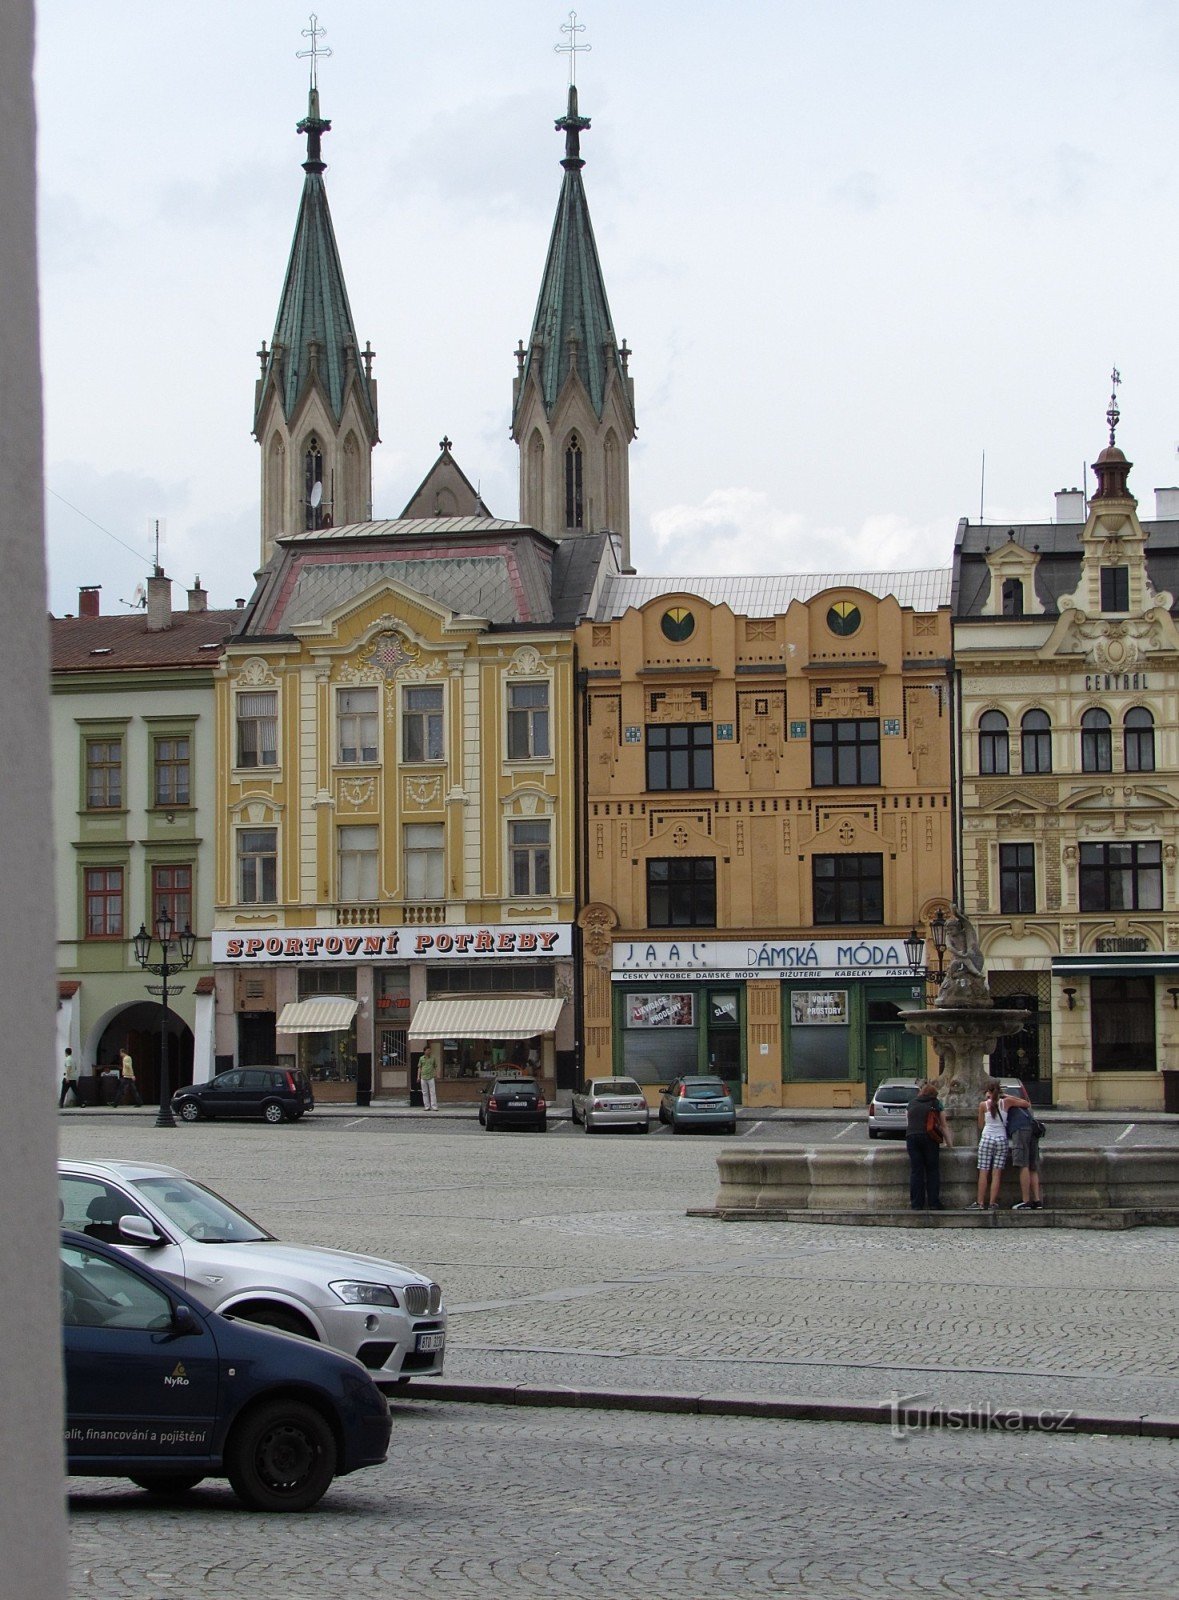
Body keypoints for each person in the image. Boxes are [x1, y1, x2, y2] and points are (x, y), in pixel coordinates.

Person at [905, 1079, 952, 1211]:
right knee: (932, 1170)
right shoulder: (936, 1104)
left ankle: (916, 1204)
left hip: (912, 1137)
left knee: (916, 1171)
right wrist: (950, 1144)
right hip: (929, 1138)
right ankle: (933, 1202)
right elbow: (943, 1126)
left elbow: (908, 1120)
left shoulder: (912, 1103)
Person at [969, 1079, 1009, 1210]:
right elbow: (1025, 1103)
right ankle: (992, 1203)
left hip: (987, 1139)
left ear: (988, 1092)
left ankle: (980, 1202)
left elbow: (980, 1125)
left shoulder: (983, 1105)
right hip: (1002, 1140)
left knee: (983, 1172)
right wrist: (1005, 1096)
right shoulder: (1006, 1103)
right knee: (996, 1174)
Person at [1003, 1083, 1043, 1210]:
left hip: (1020, 1130)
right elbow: (1026, 1103)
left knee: (1023, 1164)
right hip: (1032, 1129)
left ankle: (1026, 1200)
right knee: (1032, 1166)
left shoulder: (1004, 1101)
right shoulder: (1018, 1103)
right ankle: (1037, 1200)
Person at [417, 1041, 439, 1111]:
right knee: (425, 1092)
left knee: (432, 1092)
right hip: (423, 1077)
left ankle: (434, 1106)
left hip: (431, 1077)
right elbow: (419, 1067)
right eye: (428, 1050)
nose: (429, 1051)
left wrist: (437, 1074)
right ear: (425, 1051)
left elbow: (435, 1067)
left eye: (430, 1050)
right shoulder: (421, 1058)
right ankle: (427, 1106)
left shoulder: (433, 1058)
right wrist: (418, 1077)